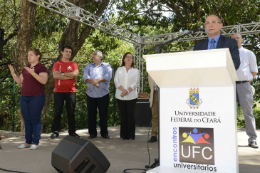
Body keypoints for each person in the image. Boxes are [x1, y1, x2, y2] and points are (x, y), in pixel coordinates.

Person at [8, 48, 48, 149]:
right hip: (24, 97)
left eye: (31, 55)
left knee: (35, 119)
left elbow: (44, 81)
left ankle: (36, 142)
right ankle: (27, 142)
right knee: (27, 120)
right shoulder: (25, 68)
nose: (29, 57)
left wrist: (33, 73)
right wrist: (13, 73)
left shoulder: (41, 67)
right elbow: (19, 81)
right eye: (28, 55)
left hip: (37, 97)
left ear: (38, 56)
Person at [232, 33, 258, 148]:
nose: (235, 39)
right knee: (229, 113)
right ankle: (229, 138)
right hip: (230, 86)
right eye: (232, 38)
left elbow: (254, 71)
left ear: (242, 40)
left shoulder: (248, 53)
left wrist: (247, 82)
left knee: (248, 113)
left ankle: (252, 139)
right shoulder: (226, 54)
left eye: (237, 38)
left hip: (244, 86)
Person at [49, 45, 80, 139]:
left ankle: (72, 132)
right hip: (59, 92)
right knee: (57, 112)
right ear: (62, 52)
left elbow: (75, 74)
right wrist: (68, 76)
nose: (68, 53)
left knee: (71, 112)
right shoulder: (57, 64)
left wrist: (62, 74)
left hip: (71, 92)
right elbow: (55, 76)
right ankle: (55, 131)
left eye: (70, 52)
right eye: (66, 51)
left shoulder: (73, 64)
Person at [83, 50, 112, 139]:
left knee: (103, 114)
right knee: (91, 114)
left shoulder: (107, 66)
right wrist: (94, 82)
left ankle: (104, 133)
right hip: (90, 94)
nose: (93, 56)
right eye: (93, 54)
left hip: (103, 94)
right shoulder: (88, 66)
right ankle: (92, 133)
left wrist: (97, 80)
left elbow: (108, 77)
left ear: (100, 57)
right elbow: (85, 77)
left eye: (95, 54)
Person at [114, 52, 140, 140]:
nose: (129, 58)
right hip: (120, 95)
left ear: (132, 60)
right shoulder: (119, 69)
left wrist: (127, 91)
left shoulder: (135, 71)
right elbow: (116, 81)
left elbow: (136, 83)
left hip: (131, 96)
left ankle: (131, 136)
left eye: (131, 57)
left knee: (130, 115)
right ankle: (123, 135)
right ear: (124, 59)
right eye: (127, 57)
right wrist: (123, 90)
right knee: (123, 115)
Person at [148, 75, 159, 143]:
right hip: (154, 93)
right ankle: (154, 135)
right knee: (154, 115)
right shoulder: (152, 68)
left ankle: (166, 134)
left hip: (165, 93)